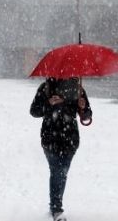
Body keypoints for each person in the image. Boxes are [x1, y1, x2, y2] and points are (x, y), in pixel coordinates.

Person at [30, 77, 92, 221]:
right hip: (50, 138)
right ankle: (56, 208)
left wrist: (83, 107)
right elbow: (34, 111)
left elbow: (87, 115)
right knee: (57, 171)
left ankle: (56, 205)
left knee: (62, 173)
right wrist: (48, 103)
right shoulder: (46, 88)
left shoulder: (77, 88)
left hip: (70, 140)